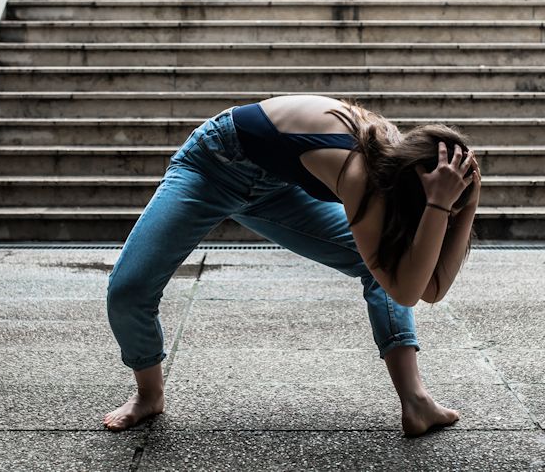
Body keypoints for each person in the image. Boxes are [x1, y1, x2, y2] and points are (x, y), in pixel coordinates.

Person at [103, 93, 481, 437]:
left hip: (276, 186)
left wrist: (468, 197)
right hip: (213, 163)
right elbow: (409, 290)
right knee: (129, 289)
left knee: (383, 265)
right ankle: (148, 395)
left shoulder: (396, 170)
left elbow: (430, 288)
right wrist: (438, 205)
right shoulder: (362, 175)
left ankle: (415, 401)